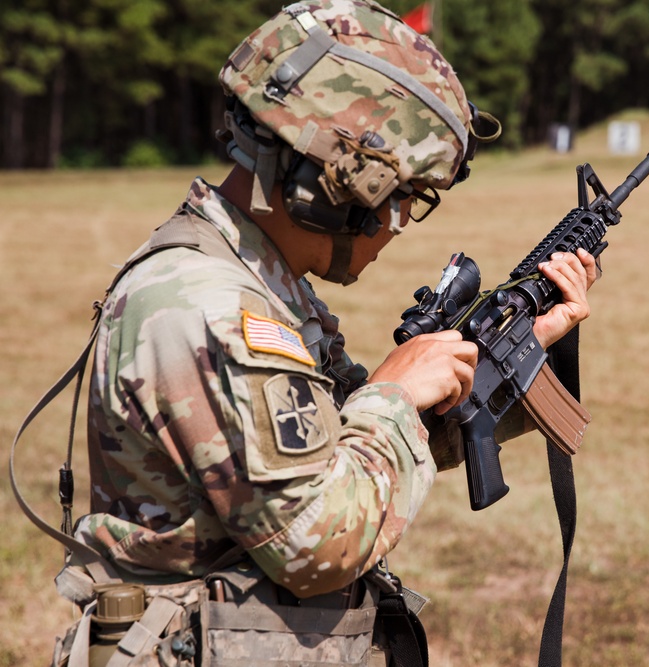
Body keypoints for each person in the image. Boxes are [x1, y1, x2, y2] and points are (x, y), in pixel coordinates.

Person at [48, 1, 597, 664]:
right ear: (328, 187)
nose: (398, 225)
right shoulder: (206, 304)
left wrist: (524, 342)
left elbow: (337, 452)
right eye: (398, 197)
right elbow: (319, 544)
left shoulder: (256, 278)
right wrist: (393, 393)